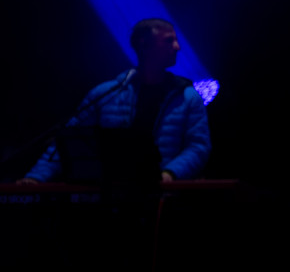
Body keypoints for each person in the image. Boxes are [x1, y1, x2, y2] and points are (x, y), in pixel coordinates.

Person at [24, 18, 210, 183]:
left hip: (162, 197)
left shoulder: (188, 97)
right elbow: (67, 141)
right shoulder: (105, 94)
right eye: (169, 40)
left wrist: (170, 174)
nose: (177, 47)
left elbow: (198, 146)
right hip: (110, 196)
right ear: (144, 45)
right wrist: (35, 178)